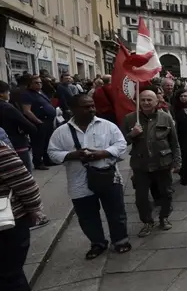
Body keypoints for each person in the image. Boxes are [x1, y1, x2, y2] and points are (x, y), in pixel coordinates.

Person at [47, 94, 130, 259]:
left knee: (116, 212)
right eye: (86, 106)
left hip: (108, 177)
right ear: (73, 109)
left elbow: (121, 145)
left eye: (92, 105)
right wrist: (73, 155)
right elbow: (52, 153)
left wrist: (103, 153)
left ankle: (120, 240)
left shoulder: (107, 126)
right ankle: (98, 243)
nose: (91, 109)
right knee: (87, 216)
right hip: (79, 182)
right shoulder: (61, 132)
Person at [0, 139, 44, 291]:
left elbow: (27, 184)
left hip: (8, 225)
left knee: (8, 279)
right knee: (12, 277)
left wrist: (34, 210)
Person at [123, 89, 181, 237]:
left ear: (156, 102)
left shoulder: (165, 118)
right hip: (140, 165)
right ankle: (147, 221)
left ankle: (164, 217)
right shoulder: (130, 119)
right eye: (142, 100)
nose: (146, 102)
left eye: (149, 100)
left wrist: (177, 161)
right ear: (138, 102)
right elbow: (121, 142)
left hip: (162, 163)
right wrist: (132, 134)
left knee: (166, 193)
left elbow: (174, 141)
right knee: (141, 197)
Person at [0, 81, 38, 174]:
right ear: (1, 94)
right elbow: (27, 125)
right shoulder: (7, 107)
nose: (9, 94)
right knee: (24, 173)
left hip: (3, 148)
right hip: (16, 144)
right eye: (7, 91)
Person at [20, 75, 57, 170]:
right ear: (30, 84)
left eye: (40, 82)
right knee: (38, 143)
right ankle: (38, 162)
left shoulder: (40, 92)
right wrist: (38, 121)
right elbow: (27, 111)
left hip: (48, 121)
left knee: (47, 142)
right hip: (40, 122)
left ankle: (47, 160)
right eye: (36, 83)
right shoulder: (27, 94)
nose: (39, 84)